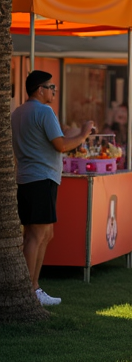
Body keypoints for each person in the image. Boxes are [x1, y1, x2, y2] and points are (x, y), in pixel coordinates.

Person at [12, 70, 94, 306]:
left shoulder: (19, 112)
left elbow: (49, 139)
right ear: (40, 89)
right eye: (52, 87)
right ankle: (30, 290)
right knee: (36, 236)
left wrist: (71, 132)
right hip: (41, 178)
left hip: (28, 177)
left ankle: (33, 288)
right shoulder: (44, 111)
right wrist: (84, 133)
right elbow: (61, 145)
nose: (54, 92)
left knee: (43, 234)